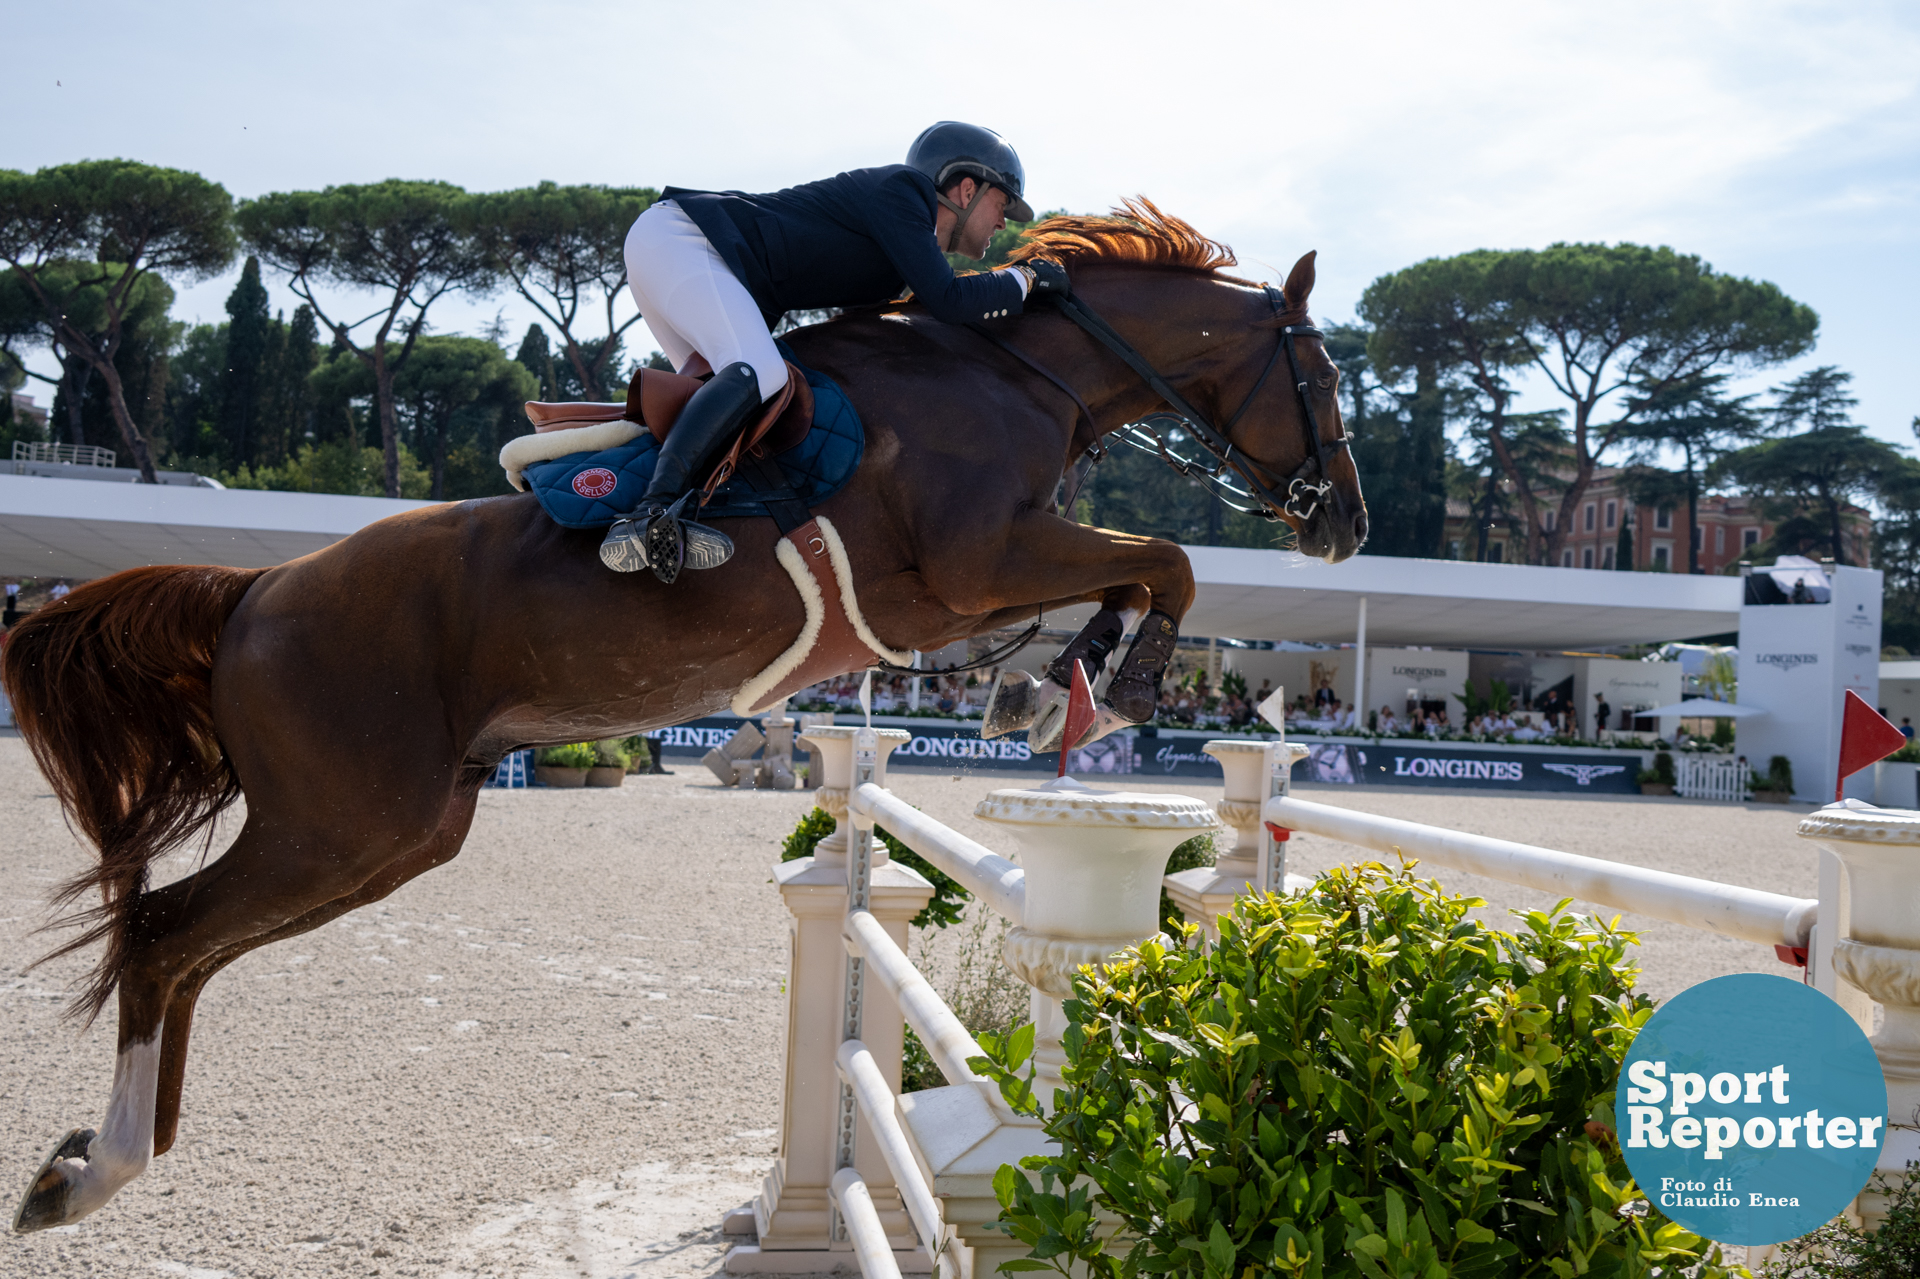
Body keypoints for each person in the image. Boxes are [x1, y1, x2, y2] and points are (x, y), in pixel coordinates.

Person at [599, 121, 1059, 584]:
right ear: (965, 190)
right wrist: (1028, 279)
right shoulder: (904, 192)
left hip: (677, 250)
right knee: (762, 374)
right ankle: (648, 517)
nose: (1003, 223)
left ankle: (661, 511)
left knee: (727, 412)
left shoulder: (898, 249)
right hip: (685, 242)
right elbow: (949, 301)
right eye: (1002, 205)